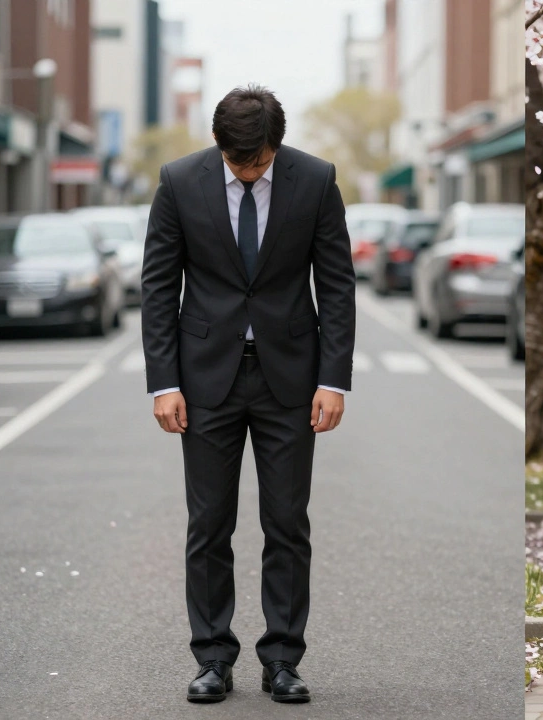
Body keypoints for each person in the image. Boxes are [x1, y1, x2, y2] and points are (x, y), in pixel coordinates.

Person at [141, 85, 356, 704]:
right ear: (217, 145)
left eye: (258, 162)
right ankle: (212, 658)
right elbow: (159, 287)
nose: (248, 171)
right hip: (205, 380)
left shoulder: (315, 181)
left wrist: (333, 379)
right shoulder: (180, 182)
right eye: (237, 163)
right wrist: (164, 383)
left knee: (287, 522)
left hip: (290, 377)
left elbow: (336, 283)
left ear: (276, 147)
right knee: (208, 523)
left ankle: (283, 659)